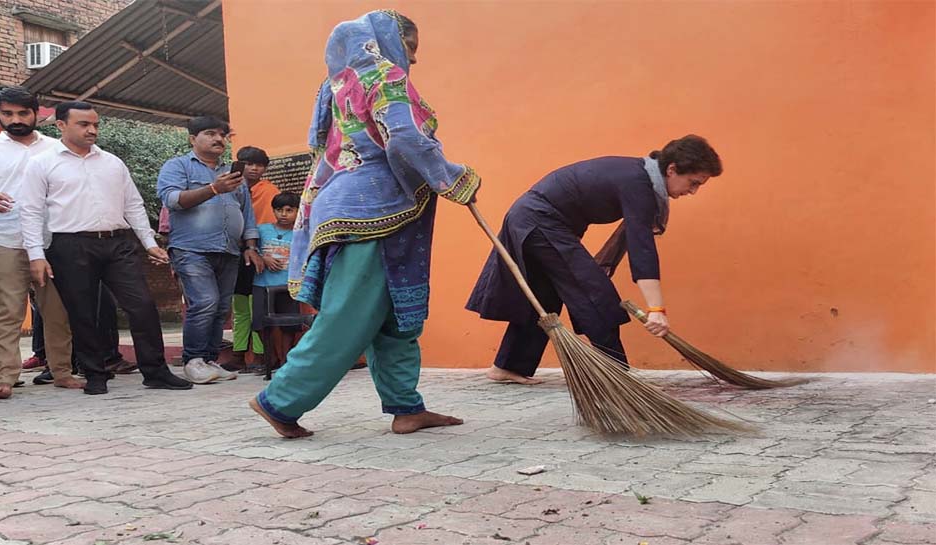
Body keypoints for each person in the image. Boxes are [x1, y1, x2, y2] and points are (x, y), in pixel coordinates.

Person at [250, 10, 480, 438]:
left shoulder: (335, 85)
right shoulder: (386, 77)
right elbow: (407, 140)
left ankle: (407, 407)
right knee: (349, 315)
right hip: (373, 211)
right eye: (412, 47)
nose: (414, 59)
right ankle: (280, 401)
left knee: (396, 313)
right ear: (391, 40)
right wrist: (454, 177)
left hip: (351, 205)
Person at [466, 135, 723, 384]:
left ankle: (508, 367)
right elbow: (640, 247)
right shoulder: (638, 183)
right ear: (672, 169)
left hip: (533, 221)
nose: (693, 191)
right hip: (539, 220)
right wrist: (656, 310)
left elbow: (637, 239)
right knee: (594, 293)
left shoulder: (639, 177)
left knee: (544, 295)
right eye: (693, 183)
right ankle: (617, 374)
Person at [19, 100, 192, 395]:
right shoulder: (42, 164)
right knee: (83, 312)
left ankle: (155, 371)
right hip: (70, 245)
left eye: (95, 125)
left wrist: (148, 242)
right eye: (84, 124)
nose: (92, 130)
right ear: (61, 125)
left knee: (142, 306)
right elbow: (31, 211)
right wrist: (36, 255)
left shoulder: (112, 162)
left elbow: (134, 205)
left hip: (117, 243)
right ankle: (95, 374)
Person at [0, 85, 82, 399]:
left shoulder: (56, 148)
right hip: (6, 242)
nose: (15, 119)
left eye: (22, 113)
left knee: (58, 311)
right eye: (8, 113)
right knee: (6, 312)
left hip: (51, 242)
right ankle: (3, 378)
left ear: (36, 112)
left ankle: (62, 372)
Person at [157, 117, 263, 384]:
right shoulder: (178, 166)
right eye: (210, 133)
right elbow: (172, 200)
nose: (219, 139)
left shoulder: (232, 172)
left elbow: (246, 212)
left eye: (222, 135)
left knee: (221, 307)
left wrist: (250, 246)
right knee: (204, 302)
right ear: (193, 139)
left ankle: (210, 360)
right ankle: (193, 360)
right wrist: (214, 188)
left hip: (228, 250)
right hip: (191, 248)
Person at [227, 146, 280, 371]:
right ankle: (238, 355)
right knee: (239, 309)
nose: (254, 169)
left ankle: (260, 356)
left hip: (260, 254)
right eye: (249, 164)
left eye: (259, 165)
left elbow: (270, 226)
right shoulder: (228, 188)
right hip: (232, 253)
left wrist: (262, 251)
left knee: (258, 306)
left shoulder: (269, 191)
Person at [249, 191, 301, 372]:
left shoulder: (301, 234)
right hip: (262, 284)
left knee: (289, 323)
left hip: (288, 284)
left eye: (289, 210)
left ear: (297, 211)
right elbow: (250, 251)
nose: (284, 214)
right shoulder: (261, 230)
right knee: (259, 323)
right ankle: (270, 357)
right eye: (279, 210)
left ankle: (285, 359)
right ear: (273, 210)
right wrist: (264, 258)